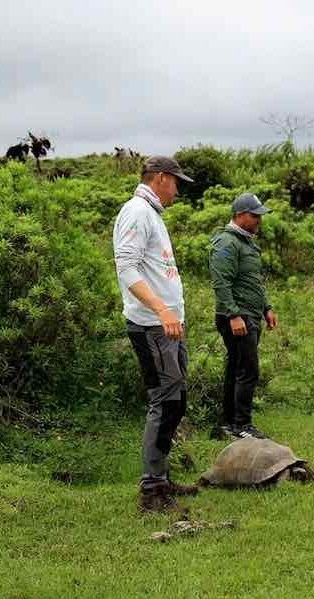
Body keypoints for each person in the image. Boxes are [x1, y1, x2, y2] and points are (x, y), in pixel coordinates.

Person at [112, 156, 198, 512]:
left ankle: (161, 478)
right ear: (161, 179)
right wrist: (161, 309)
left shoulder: (152, 215)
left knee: (175, 402)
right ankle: (151, 491)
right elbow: (126, 268)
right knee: (164, 403)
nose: (177, 190)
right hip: (151, 326)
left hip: (168, 326)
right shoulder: (135, 212)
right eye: (176, 182)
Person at [210, 192, 277, 439]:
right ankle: (242, 426)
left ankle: (228, 424)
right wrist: (233, 315)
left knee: (237, 368)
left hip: (250, 313)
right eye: (254, 215)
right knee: (248, 371)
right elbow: (221, 281)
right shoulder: (227, 242)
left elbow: (253, 281)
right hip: (238, 317)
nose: (259, 220)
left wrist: (266, 307)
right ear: (240, 215)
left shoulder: (246, 242)